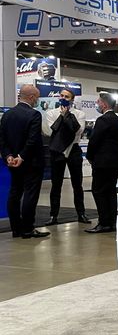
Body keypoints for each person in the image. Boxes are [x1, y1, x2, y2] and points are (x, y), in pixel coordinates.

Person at [0, 84, 49, 238]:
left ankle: (16, 228)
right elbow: (32, 140)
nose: (38, 100)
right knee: (30, 194)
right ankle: (28, 228)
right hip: (31, 163)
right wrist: (22, 157)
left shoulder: (7, 115)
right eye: (37, 97)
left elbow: (2, 139)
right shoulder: (34, 115)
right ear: (32, 97)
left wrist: (8, 156)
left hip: (12, 162)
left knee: (14, 192)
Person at [42, 88, 90, 225]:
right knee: (56, 184)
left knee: (77, 184)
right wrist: (63, 117)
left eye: (67, 96)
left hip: (73, 149)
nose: (63, 98)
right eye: (62, 95)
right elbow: (53, 130)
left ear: (72, 99)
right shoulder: (51, 113)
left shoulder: (80, 114)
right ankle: (53, 215)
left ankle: (81, 213)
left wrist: (68, 116)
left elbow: (78, 130)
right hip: (57, 150)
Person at [85, 93, 118, 233]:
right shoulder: (117, 121)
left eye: (98, 101)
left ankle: (103, 222)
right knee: (111, 192)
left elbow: (94, 140)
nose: (97, 103)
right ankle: (111, 222)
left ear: (104, 104)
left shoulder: (103, 120)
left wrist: (90, 156)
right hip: (114, 162)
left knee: (99, 192)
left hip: (102, 162)